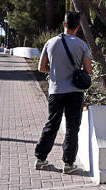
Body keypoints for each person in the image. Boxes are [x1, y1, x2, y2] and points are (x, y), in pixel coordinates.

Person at [34, 12, 93, 174]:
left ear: (64, 24)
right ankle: (68, 164)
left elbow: (41, 67)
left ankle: (40, 158)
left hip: (55, 90)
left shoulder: (51, 42)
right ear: (78, 27)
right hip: (75, 91)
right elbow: (88, 70)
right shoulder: (81, 45)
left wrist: (54, 72)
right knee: (72, 127)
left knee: (52, 124)